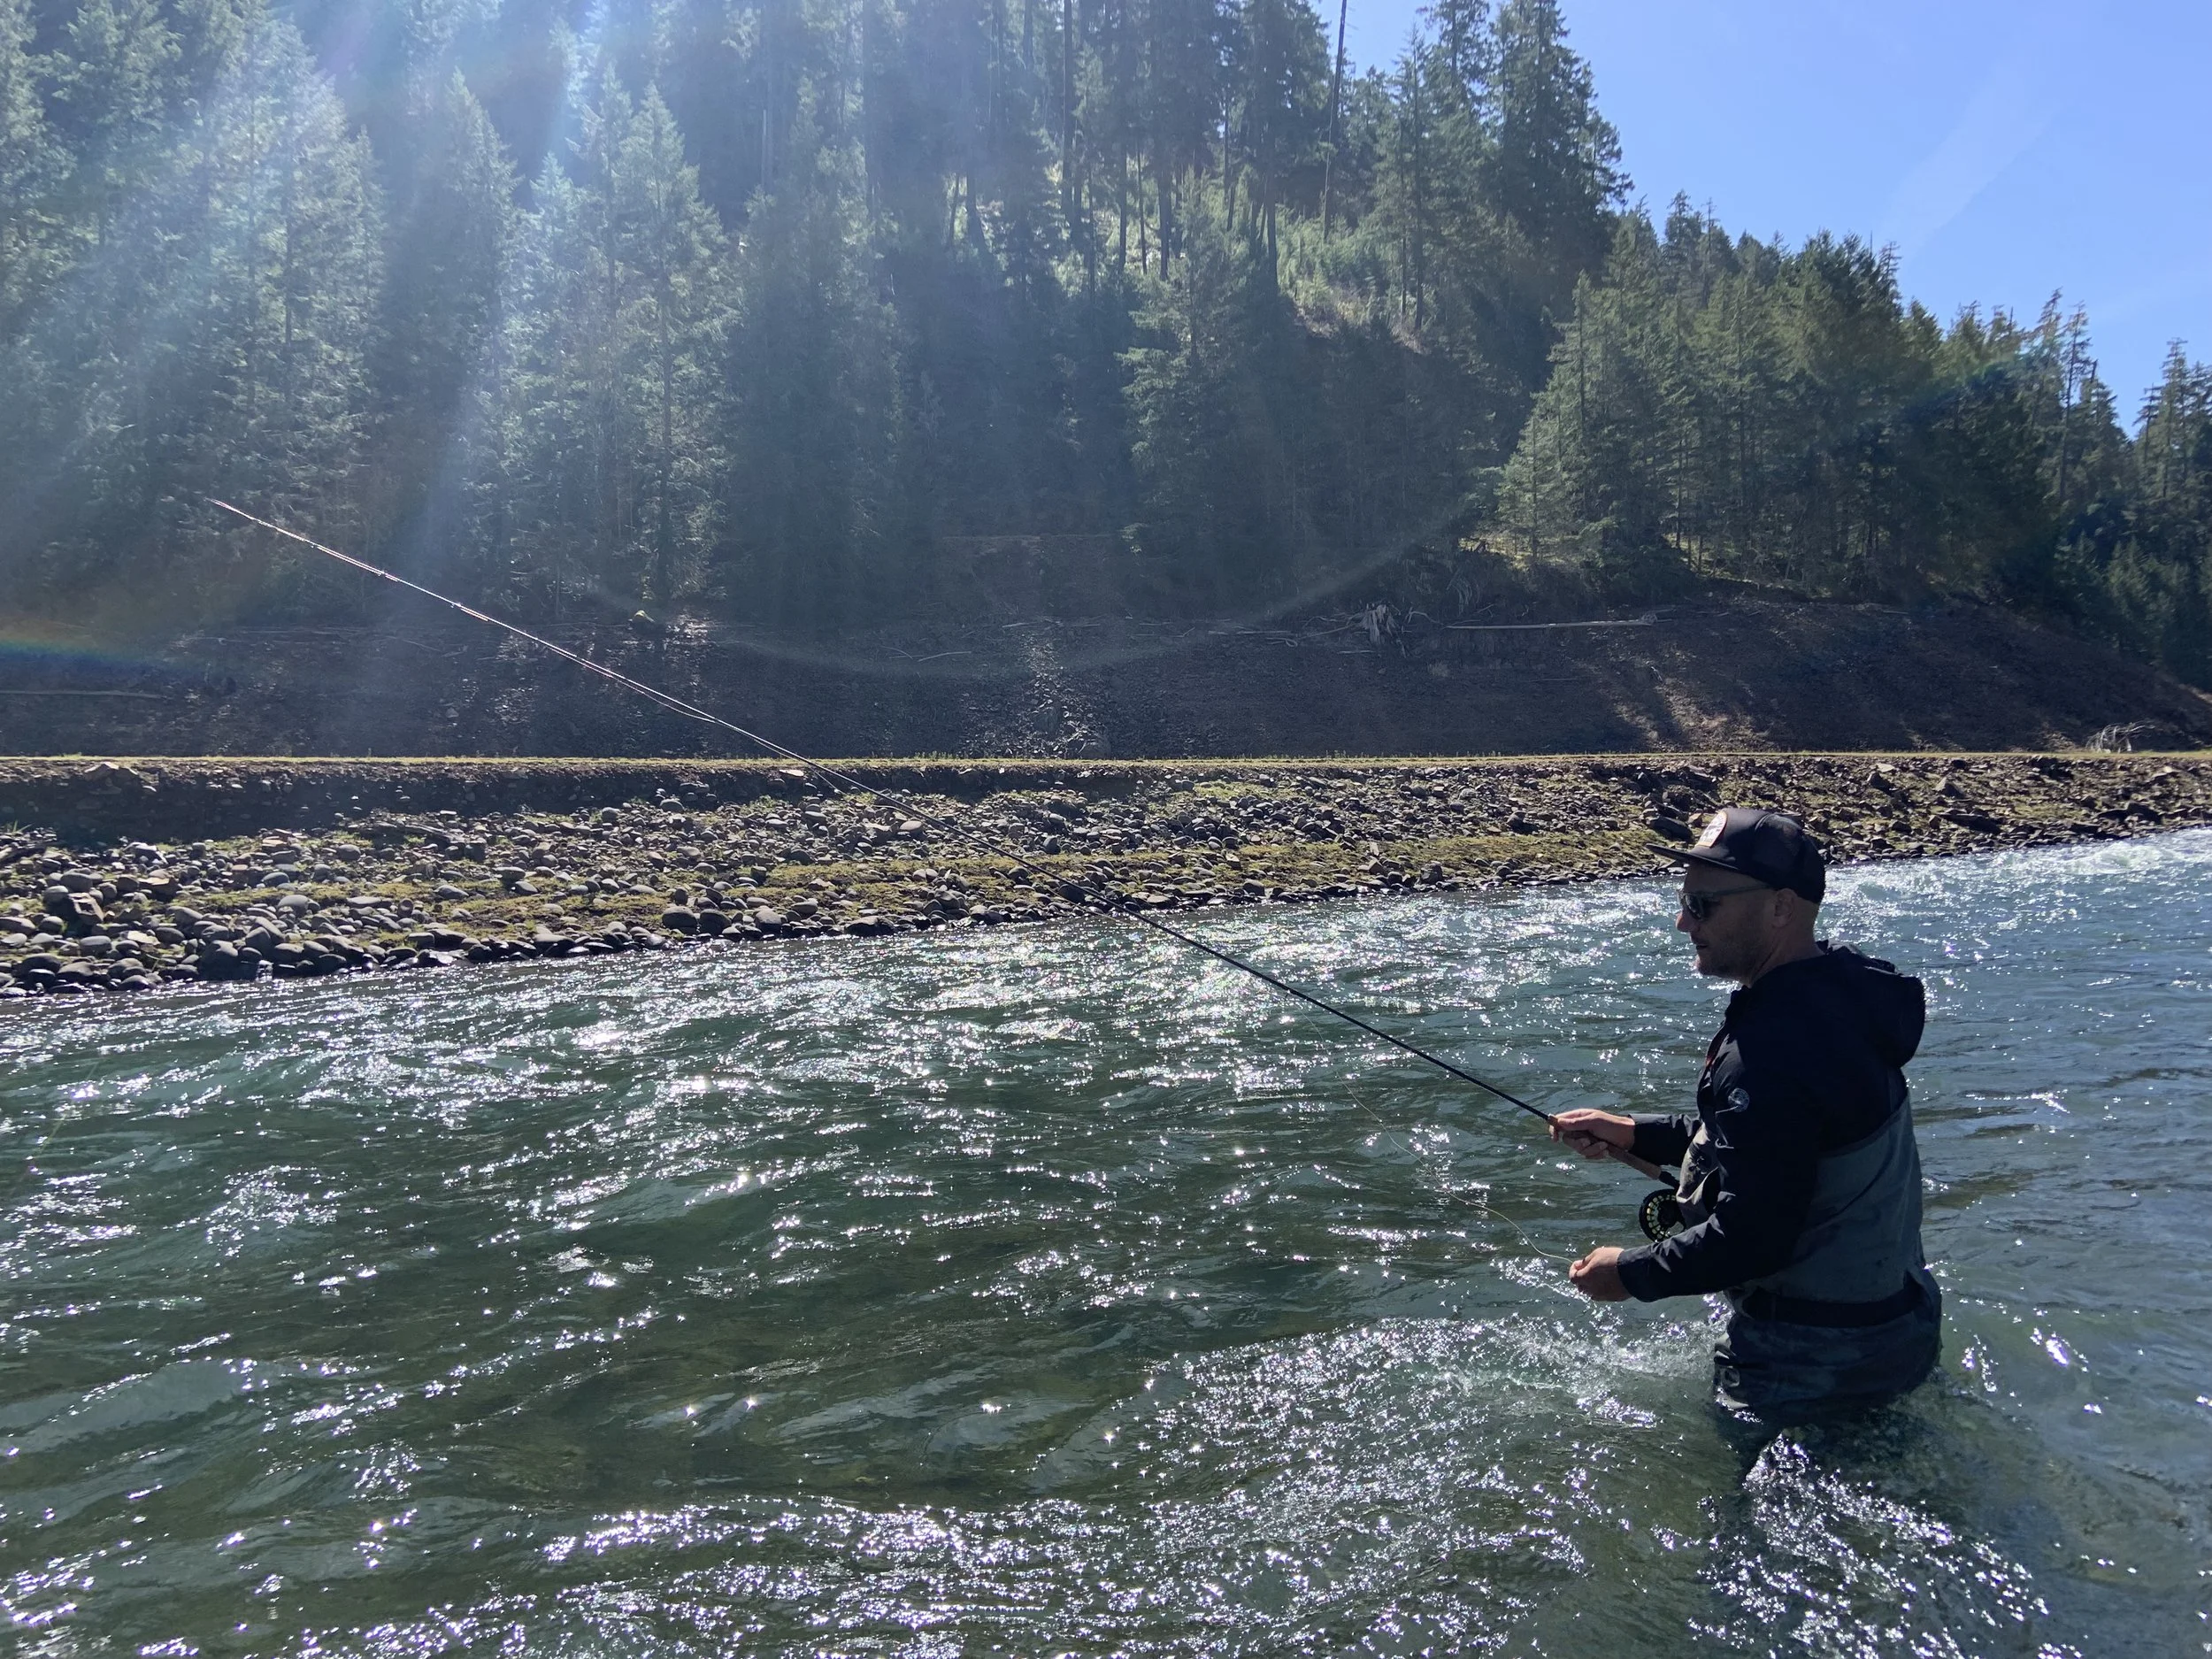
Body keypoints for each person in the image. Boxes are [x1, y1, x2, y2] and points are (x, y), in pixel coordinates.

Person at [1549, 807, 1942, 1425]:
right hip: (1899, 1327)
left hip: (1805, 1361)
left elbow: (1753, 1237)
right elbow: (1775, 1146)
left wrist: (1627, 1273)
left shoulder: (1772, 1052)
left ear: (1781, 907)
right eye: (1684, 902)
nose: (1683, 923)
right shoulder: (1844, 996)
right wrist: (1632, 1132)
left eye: (1704, 905)